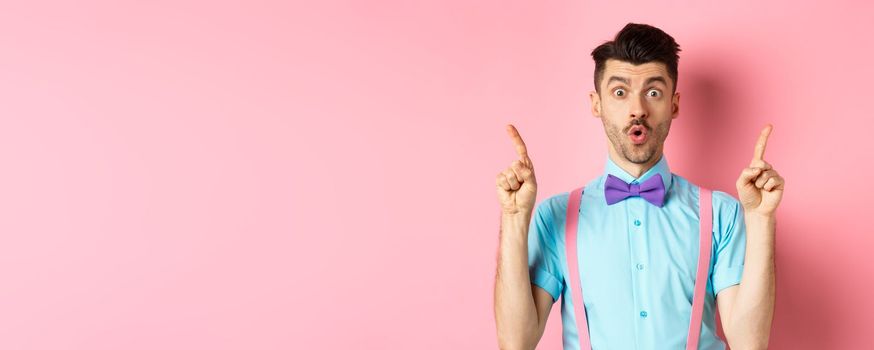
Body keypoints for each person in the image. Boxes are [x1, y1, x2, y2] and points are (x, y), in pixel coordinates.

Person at [493, 23, 782, 350]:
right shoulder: (556, 216)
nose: (638, 110)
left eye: (653, 92)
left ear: (673, 105)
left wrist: (760, 220)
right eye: (620, 92)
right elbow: (516, 342)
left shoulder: (722, 213)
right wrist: (514, 218)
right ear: (596, 104)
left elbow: (749, 343)